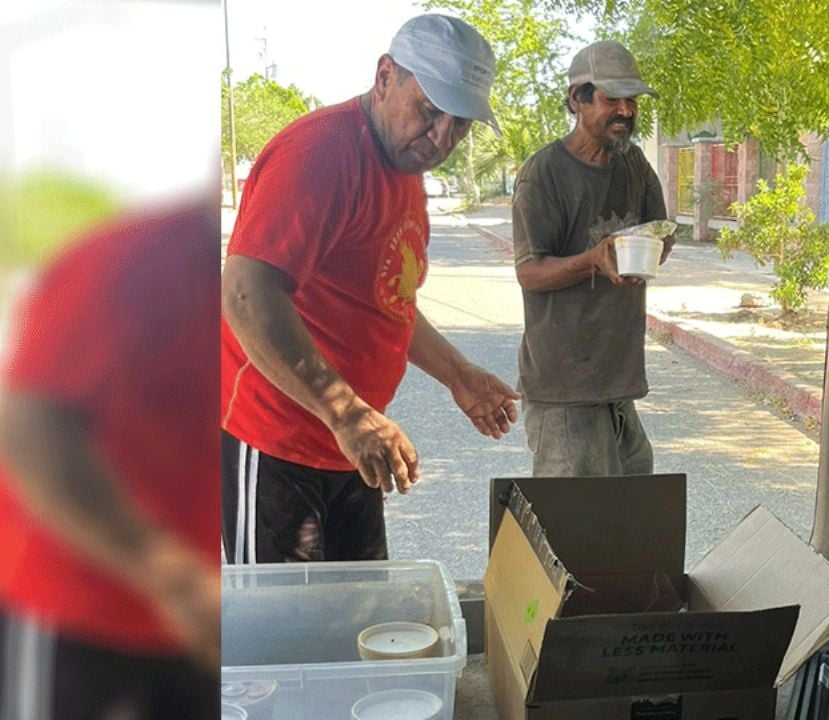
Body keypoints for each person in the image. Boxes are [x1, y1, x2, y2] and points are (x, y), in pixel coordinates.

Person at [220, 14, 519, 564]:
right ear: (385, 77)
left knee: (360, 607)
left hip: (351, 445)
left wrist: (458, 375)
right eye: (429, 111)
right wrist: (346, 414)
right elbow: (246, 293)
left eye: (460, 125)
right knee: (283, 615)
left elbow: (387, 299)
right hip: (279, 443)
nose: (442, 138)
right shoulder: (319, 155)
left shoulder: (402, 168)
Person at [0, 200, 221, 718]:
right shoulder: (128, 259)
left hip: (203, 621)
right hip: (80, 607)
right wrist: (166, 571)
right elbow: (29, 424)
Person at [512, 41, 675, 477]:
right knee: (576, 513)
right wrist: (593, 259)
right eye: (612, 99)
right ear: (576, 99)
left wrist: (654, 247)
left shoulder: (634, 163)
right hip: (564, 389)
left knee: (633, 504)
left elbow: (661, 231)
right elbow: (529, 272)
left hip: (617, 382)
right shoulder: (543, 174)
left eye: (632, 100)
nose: (626, 110)